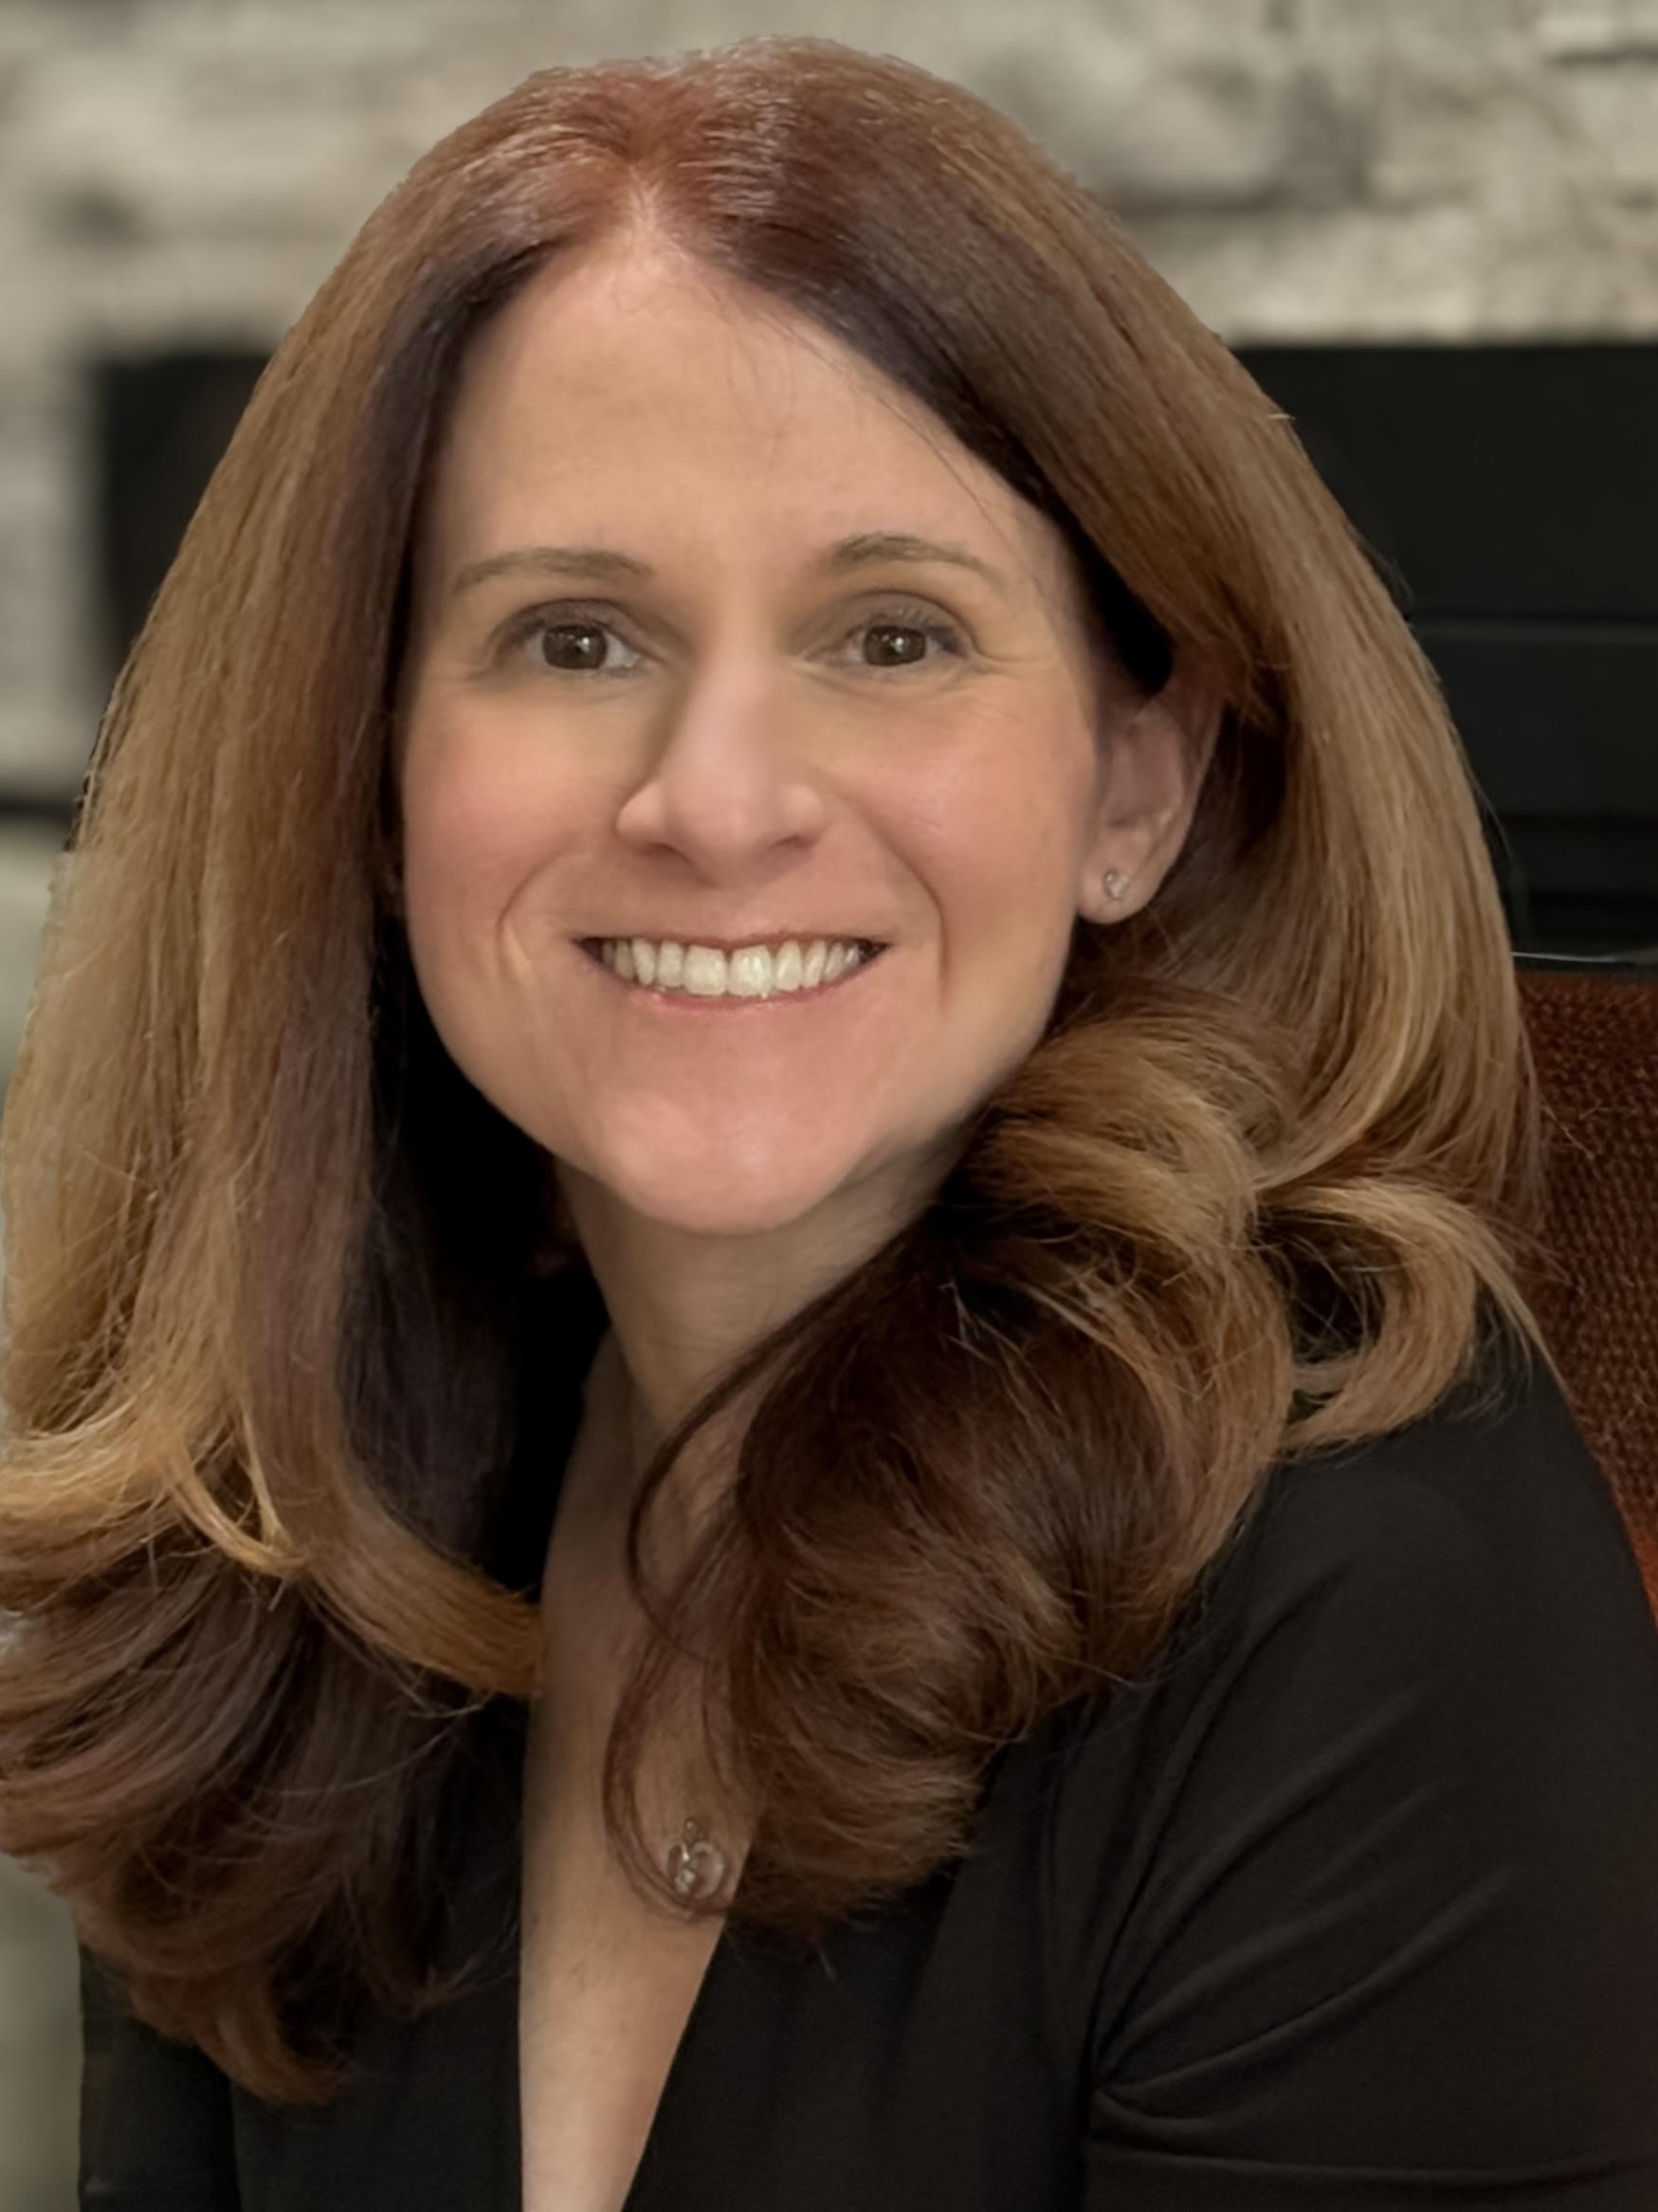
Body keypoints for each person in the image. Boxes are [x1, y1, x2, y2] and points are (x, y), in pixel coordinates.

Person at [1, 33, 1654, 2212]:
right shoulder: (292, 1517)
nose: (719, 803)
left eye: (891, 635)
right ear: (372, 784)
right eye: (573, 636)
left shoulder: (1372, 1590)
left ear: (1131, 786)